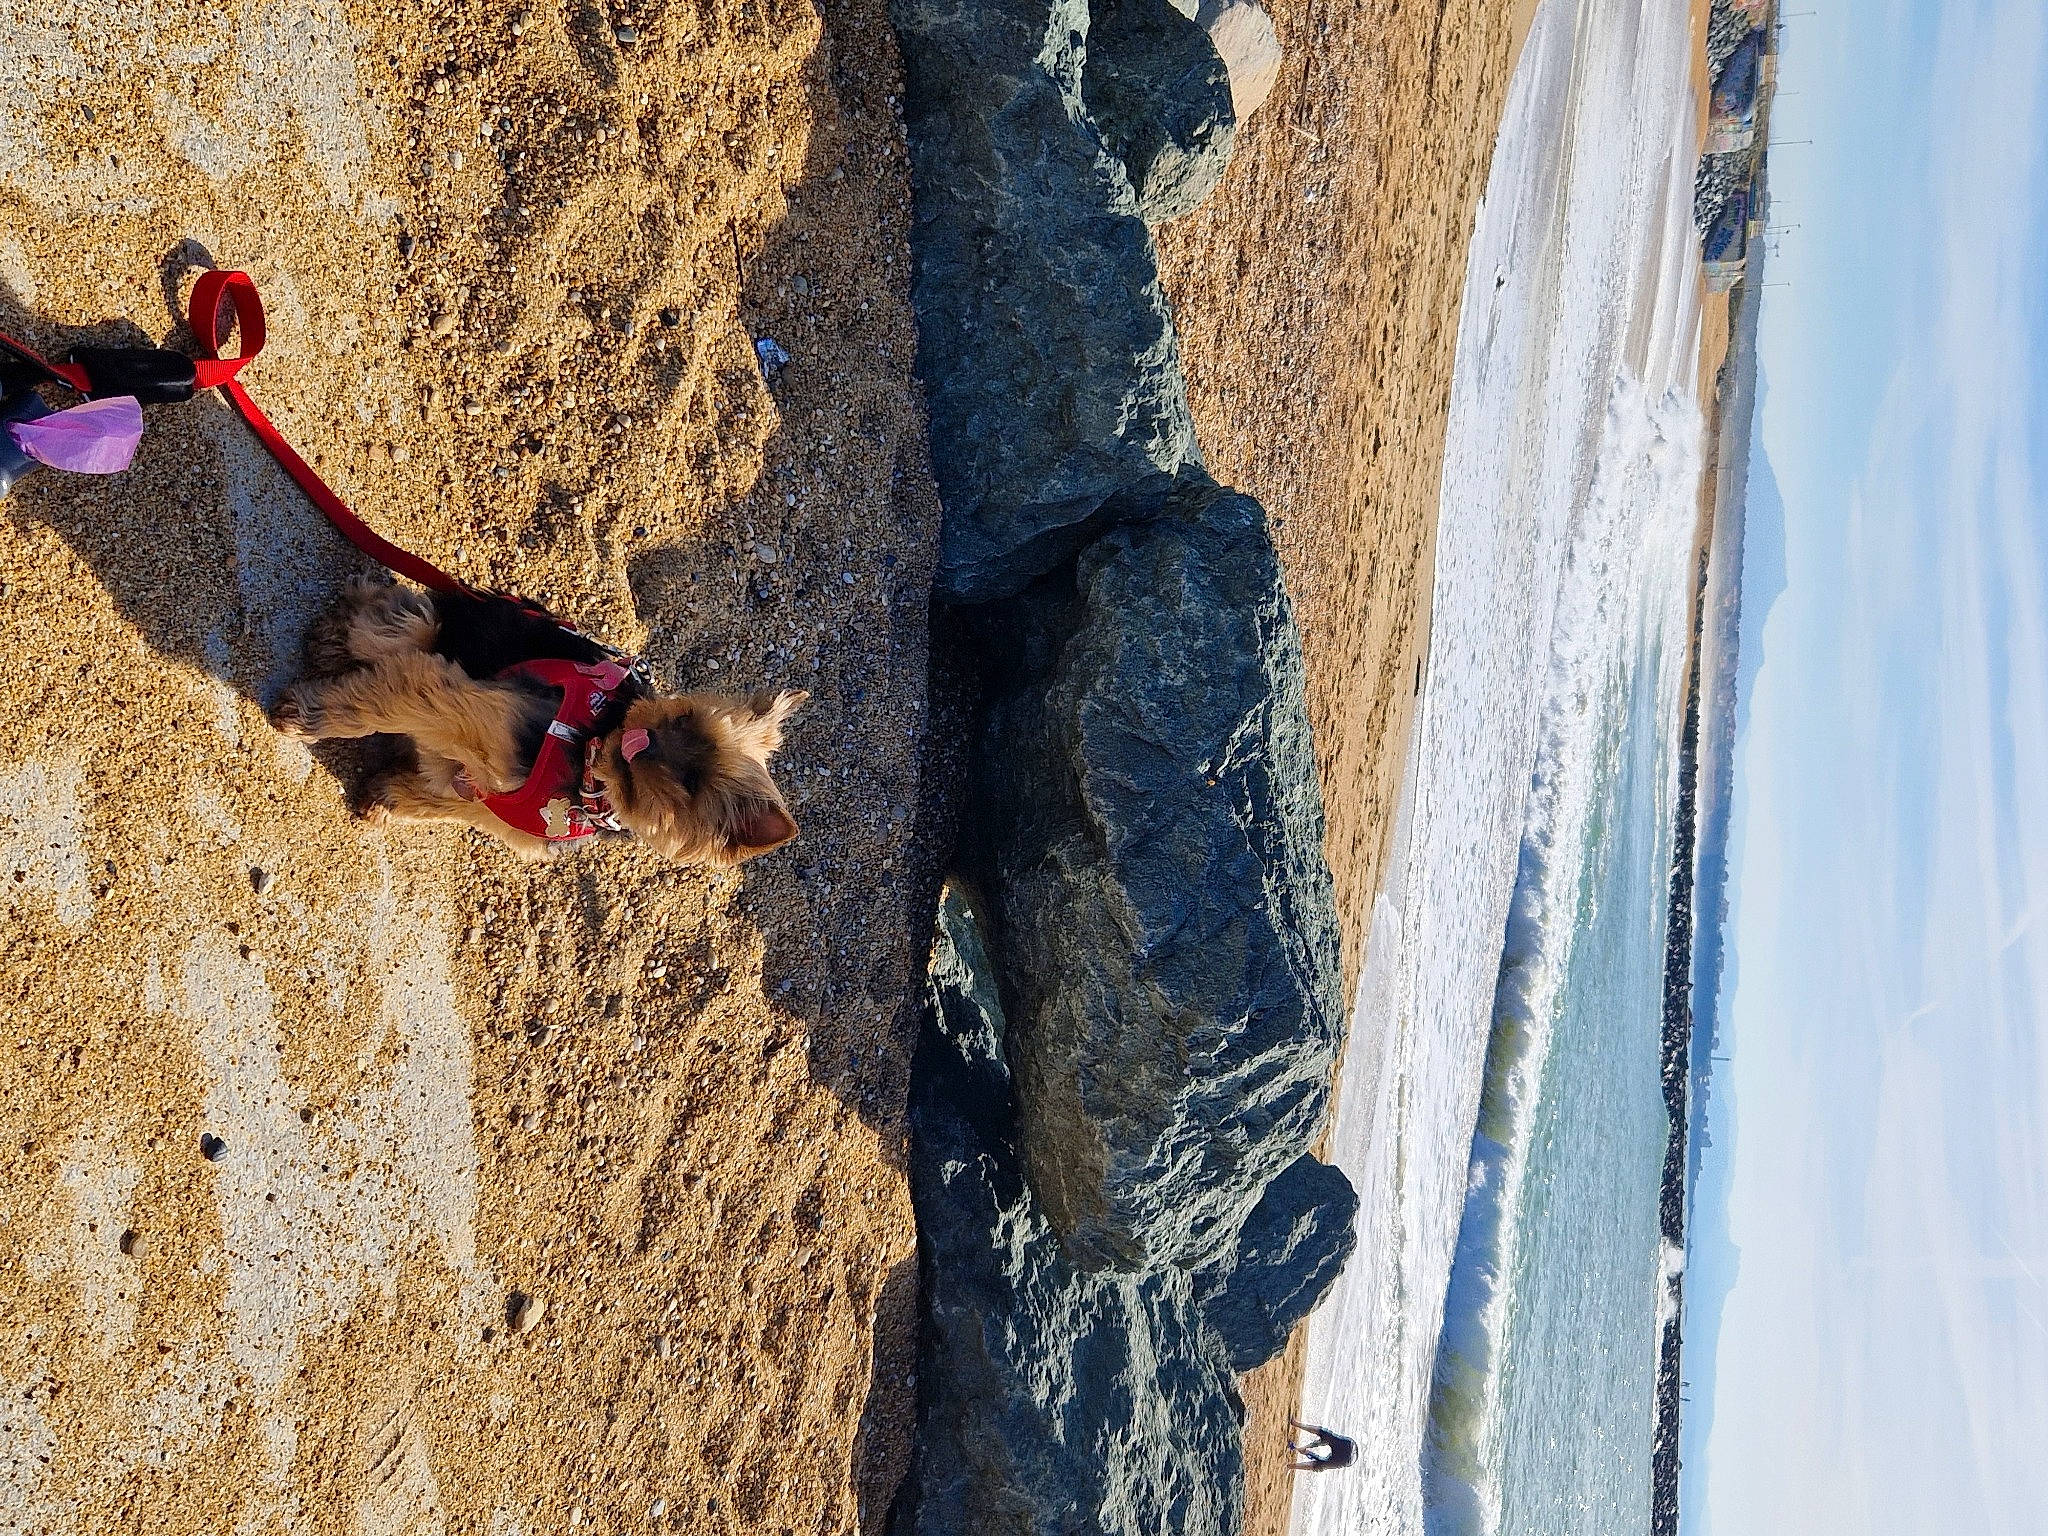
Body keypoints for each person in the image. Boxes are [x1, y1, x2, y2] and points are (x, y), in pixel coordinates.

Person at [1288, 1417, 1357, 1472]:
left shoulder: (1348, 1446)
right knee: (1320, 1465)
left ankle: (1296, 1424)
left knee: (1326, 1435)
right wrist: (1307, 1450)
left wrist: (1307, 1451)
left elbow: (1323, 1442)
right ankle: (1291, 1466)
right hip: (1347, 1451)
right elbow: (1320, 1458)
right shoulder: (1337, 1460)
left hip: (1348, 1449)